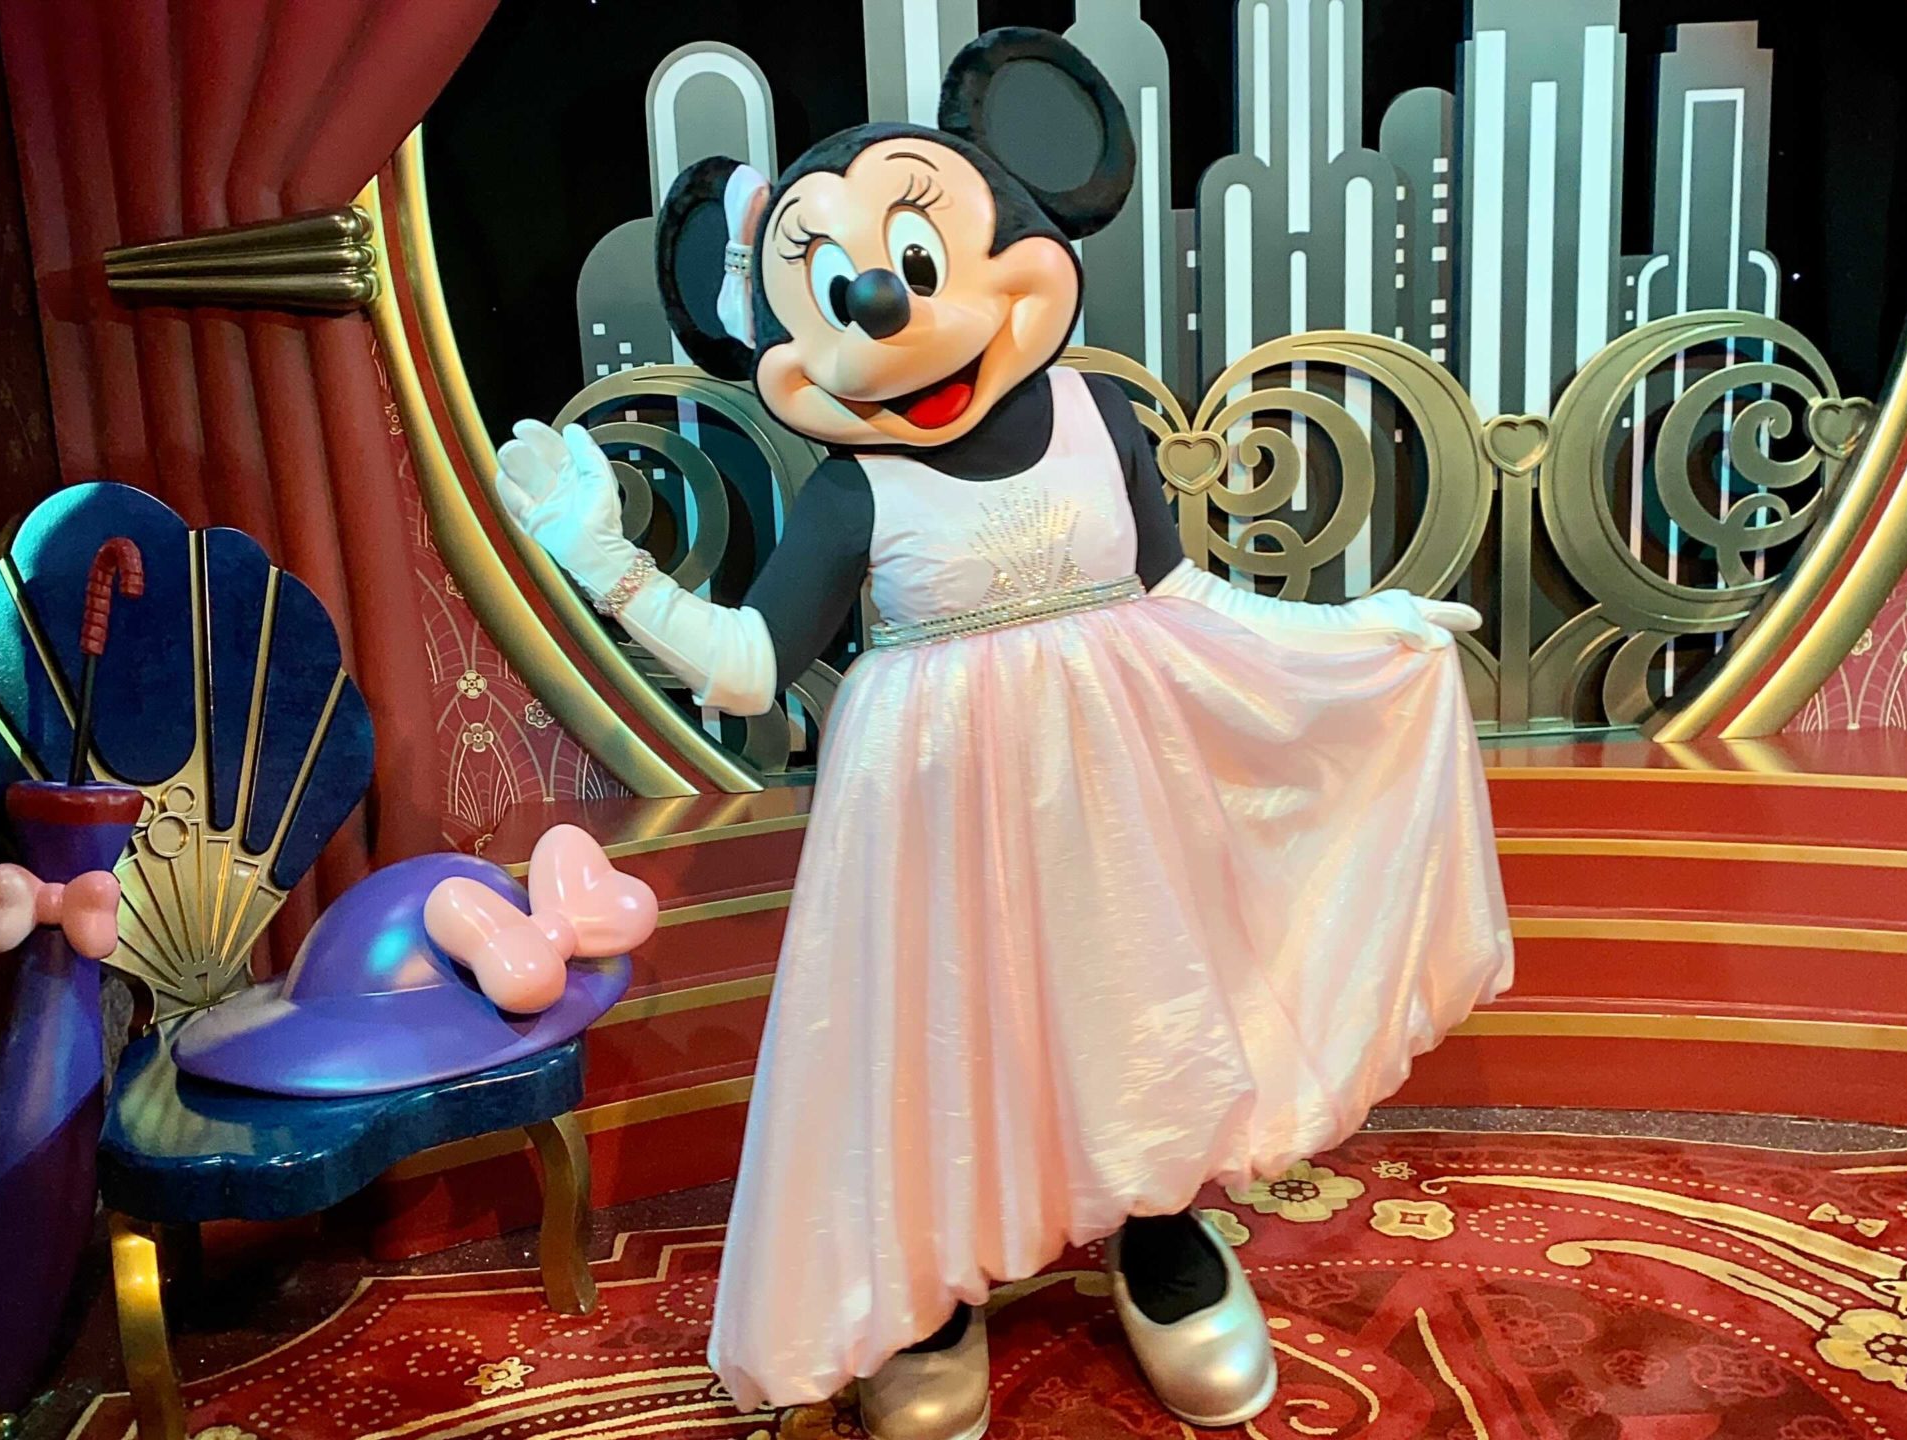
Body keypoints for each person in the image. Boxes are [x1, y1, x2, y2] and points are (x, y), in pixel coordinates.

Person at [493, 28, 1512, 1439]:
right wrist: (604, 563)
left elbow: (1183, 596)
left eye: (919, 265)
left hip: (1111, 805)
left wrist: (1354, 632)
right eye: (839, 289)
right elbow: (745, 668)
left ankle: (1159, 1238)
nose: (888, 307)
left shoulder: (1099, 418)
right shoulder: (852, 496)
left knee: (1135, 1006)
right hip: (924, 832)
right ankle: (933, 1285)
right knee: (937, 1030)